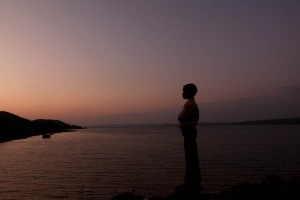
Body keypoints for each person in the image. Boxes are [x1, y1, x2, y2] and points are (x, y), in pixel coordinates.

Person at [177, 83, 201, 195]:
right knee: (191, 156)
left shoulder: (190, 104)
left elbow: (180, 117)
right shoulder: (189, 103)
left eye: (184, 91)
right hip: (189, 131)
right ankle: (191, 181)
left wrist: (180, 118)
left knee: (190, 156)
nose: (182, 93)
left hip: (189, 131)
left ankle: (191, 182)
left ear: (189, 92)